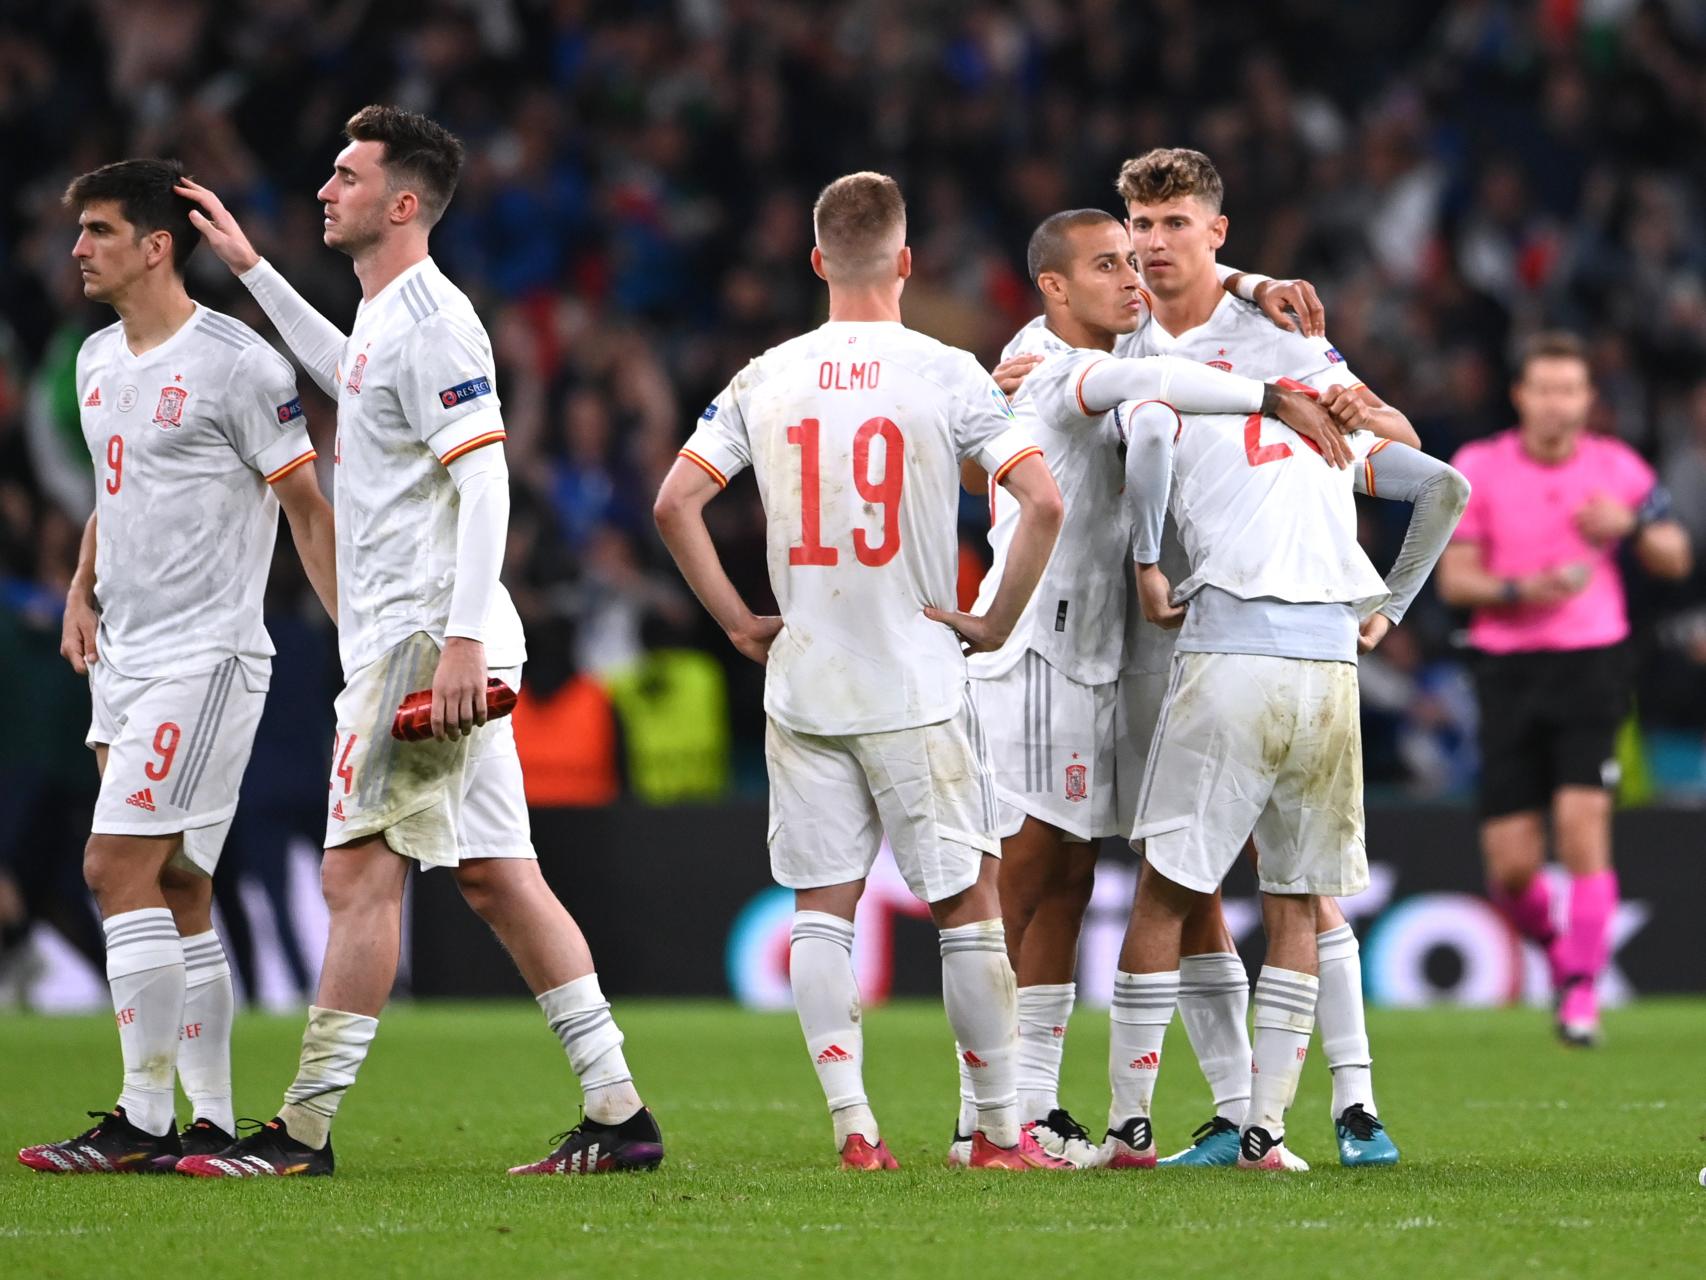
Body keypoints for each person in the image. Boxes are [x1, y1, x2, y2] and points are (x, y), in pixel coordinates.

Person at [173, 105, 663, 1177]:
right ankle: (619, 1111)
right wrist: (253, 269)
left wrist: (456, 641)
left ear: (401, 204)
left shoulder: (435, 319)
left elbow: (485, 475)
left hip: (422, 636)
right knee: (500, 876)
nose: (323, 190)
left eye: (345, 175)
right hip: (432, 630)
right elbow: (351, 372)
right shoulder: (391, 322)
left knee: (356, 877)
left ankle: (301, 1130)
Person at [994, 147, 1420, 1167]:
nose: (1147, 247)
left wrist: (1375, 421)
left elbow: (1391, 443)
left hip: (1230, 622)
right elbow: (1023, 399)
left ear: (1213, 231)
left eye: (1171, 225)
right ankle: (1229, 1112)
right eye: (1136, 229)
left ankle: (1351, 1100)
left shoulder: (1272, 331)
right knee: (1171, 880)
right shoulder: (1097, 327)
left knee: (1285, 877)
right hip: (1122, 638)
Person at [653, 171, 1070, 1171]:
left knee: (820, 908)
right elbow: (1042, 501)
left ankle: (853, 1126)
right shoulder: (944, 370)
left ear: (814, 263)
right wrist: (992, 619)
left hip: (803, 677)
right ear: (905, 261)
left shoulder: (765, 373)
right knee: (964, 902)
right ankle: (1000, 1134)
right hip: (915, 676)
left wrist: (737, 623)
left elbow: (674, 502)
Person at [954, 207, 1334, 1168]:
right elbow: (1145, 386)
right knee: (1039, 871)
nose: (1133, 277)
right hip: (1042, 641)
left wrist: (1248, 283)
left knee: (1175, 873)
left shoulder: (1136, 327)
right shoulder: (1040, 354)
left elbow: (1190, 281)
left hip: (1136, 645)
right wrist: (1266, 397)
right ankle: (991, 1110)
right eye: (1110, 264)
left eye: (1136, 259)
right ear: (1054, 286)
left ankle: (1227, 1112)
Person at [18, 159, 335, 1174]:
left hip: (207, 655)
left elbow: (305, 510)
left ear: (157, 245)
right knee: (183, 884)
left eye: (100, 230)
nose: (79, 248)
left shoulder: (240, 364)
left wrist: (359, 646)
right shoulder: (97, 360)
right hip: (124, 649)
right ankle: (204, 1118)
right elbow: (116, 495)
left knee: (114, 866)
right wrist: (80, 584)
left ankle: (140, 1116)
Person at [1113, 380, 1468, 1171]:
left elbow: (1143, 443)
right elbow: (1442, 480)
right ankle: (1283, 1123)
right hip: (1327, 656)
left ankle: (1131, 1127)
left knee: (1171, 887)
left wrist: (1144, 562)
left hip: (1215, 647)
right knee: (1302, 895)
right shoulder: (1323, 416)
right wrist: (1394, 607)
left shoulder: (1177, 388)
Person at [1437, 331, 1690, 1047]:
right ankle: (1561, 954)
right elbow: (1456, 579)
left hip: (1592, 661)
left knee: (1583, 830)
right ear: (1521, 395)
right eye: (1543, 389)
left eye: (1570, 390)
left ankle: (1581, 991)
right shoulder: (1480, 466)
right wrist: (1524, 588)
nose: (1556, 404)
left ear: (1587, 399)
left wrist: (1633, 523)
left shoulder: (1618, 468)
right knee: (1513, 868)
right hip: (1506, 668)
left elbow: (1676, 556)